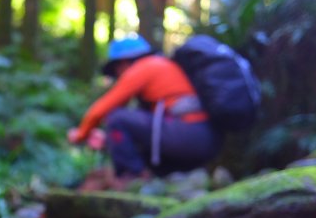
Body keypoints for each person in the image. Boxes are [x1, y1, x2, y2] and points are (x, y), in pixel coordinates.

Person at [67, 35, 222, 186]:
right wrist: (108, 139)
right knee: (122, 122)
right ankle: (163, 181)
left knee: (116, 118)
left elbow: (100, 111)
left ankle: (133, 179)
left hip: (190, 134)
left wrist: (80, 135)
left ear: (124, 63)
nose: (118, 76)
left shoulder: (146, 66)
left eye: (116, 70)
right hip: (201, 139)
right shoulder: (161, 65)